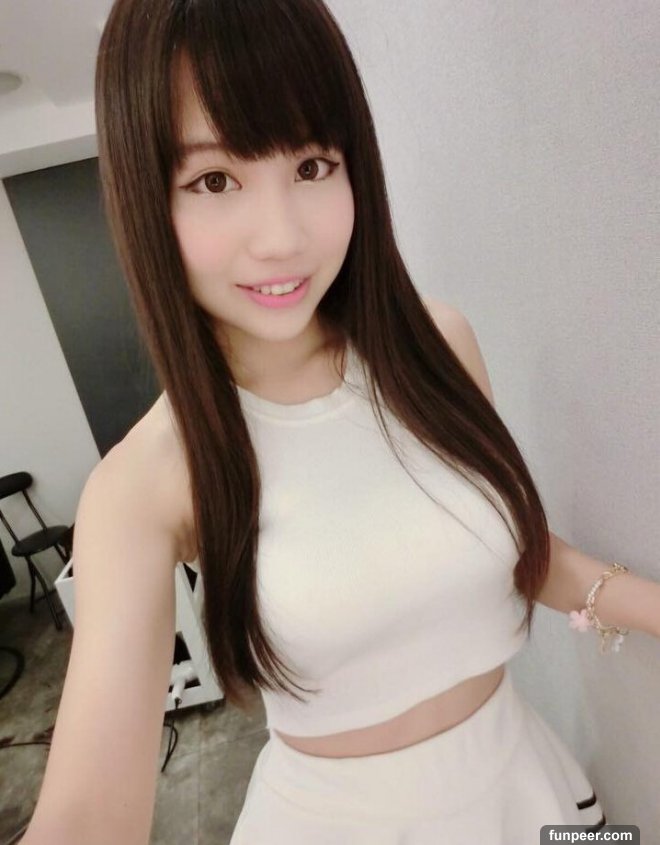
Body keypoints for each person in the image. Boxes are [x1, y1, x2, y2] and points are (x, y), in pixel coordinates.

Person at [19, 1, 660, 843]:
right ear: (146, 201)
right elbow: (86, 819)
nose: (282, 237)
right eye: (215, 181)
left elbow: (518, 548)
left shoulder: (440, 343)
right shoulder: (145, 481)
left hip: (531, 788)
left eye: (312, 164)